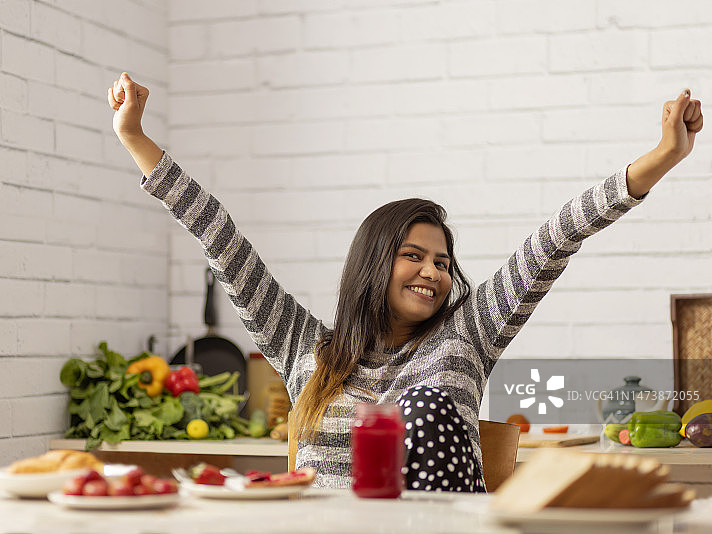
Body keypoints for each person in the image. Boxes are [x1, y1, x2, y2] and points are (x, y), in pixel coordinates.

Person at [108, 72, 703, 491]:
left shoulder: (468, 335)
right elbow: (221, 240)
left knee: (424, 406)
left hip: (440, 526)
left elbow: (555, 238)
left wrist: (663, 156)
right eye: (413, 256)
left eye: (442, 263)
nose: (432, 272)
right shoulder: (304, 347)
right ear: (373, 264)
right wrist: (135, 137)